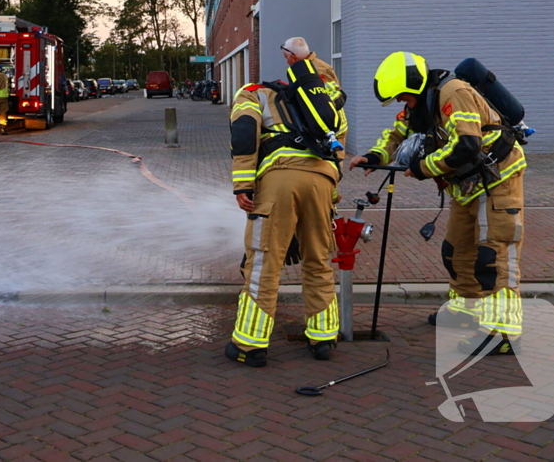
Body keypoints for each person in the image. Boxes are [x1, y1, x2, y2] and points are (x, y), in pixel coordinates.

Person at [349, 52, 526, 356]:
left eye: (404, 96)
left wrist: (423, 167)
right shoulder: (420, 105)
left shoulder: (452, 93)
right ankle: (465, 311)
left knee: (492, 258)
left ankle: (502, 333)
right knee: (456, 251)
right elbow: (395, 135)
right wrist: (375, 157)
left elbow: (467, 144)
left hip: (497, 181)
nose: (404, 103)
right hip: (466, 187)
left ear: (416, 85)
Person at [225, 37, 348, 367]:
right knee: (318, 258)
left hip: (279, 180)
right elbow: (339, 149)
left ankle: (249, 345)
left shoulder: (254, 92)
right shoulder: (328, 103)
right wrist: (331, 192)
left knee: (264, 262)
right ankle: (322, 338)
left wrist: (243, 184)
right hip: (322, 182)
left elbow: (243, 133)